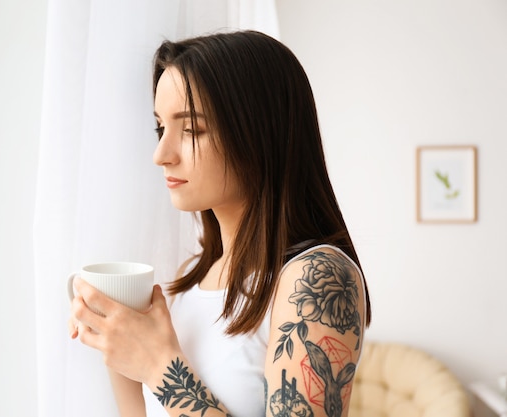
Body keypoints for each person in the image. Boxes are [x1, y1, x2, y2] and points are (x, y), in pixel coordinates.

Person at [69, 30, 371, 417]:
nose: (161, 154)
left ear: (260, 133)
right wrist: (119, 344)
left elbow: (165, 374)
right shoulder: (191, 279)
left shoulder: (316, 277)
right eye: (161, 128)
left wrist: (159, 366)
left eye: (191, 129)